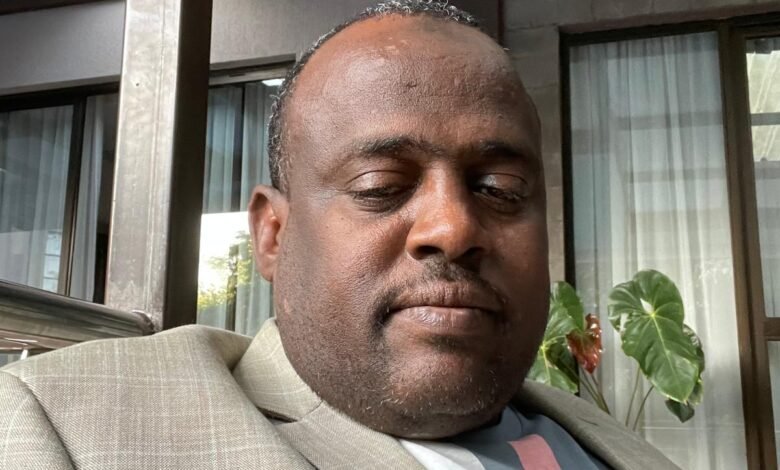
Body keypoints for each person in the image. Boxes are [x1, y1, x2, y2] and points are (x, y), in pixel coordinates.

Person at [0, 1, 679, 469]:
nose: (452, 227)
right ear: (273, 234)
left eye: (499, 189)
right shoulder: (68, 427)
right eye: (381, 186)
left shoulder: (611, 440)